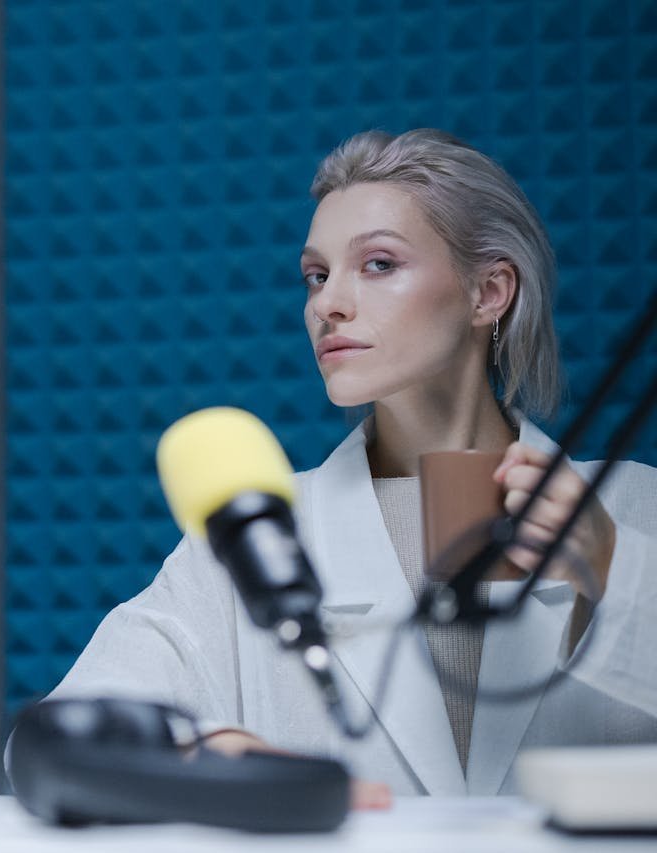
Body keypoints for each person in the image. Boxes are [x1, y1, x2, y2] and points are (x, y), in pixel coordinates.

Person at [37, 129, 657, 801]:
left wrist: (614, 564)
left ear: (489, 293)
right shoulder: (248, 535)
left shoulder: (633, 506)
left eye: (379, 264)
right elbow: (56, 737)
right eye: (317, 274)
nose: (326, 304)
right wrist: (200, 754)